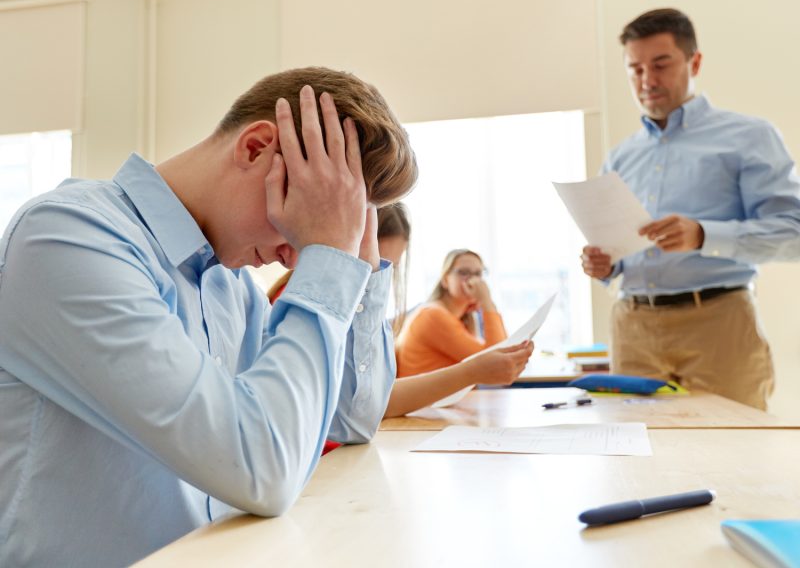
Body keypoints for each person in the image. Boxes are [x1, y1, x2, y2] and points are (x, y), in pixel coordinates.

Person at [0, 67, 418, 566]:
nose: (294, 258)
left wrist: (360, 266)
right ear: (257, 148)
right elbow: (261, 468)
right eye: (305, 208)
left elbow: (351, 419)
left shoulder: (231, 286)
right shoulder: (68, 236)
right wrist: (327, 257)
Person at [581, 8, 800, 410]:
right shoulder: (620, 157)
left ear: (694, 61)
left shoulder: (749, 137)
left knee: (733, 460)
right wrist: (606, 265)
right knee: (641, 462)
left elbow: (793, 234)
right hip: (633, 328)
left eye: (660, 65)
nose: (647, 81)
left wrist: (702, 235)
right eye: (636, 69)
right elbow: (617, 250)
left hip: (718, 324)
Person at [268, 205, 533, 419]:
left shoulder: (371, 311)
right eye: (368, 264)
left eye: (388, 267)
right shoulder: (432, 315)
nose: (376, 279)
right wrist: (487, 303)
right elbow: (497, 356)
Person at [396, 248, 507, 377]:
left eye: (478, 274)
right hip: (432, 397)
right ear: (445, 280)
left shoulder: (464, 316)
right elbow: (497, 363)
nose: (473, 280)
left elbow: (506, 353)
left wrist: (486, 305)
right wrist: (487, 302)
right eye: (464, 272)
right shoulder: (433, 316)